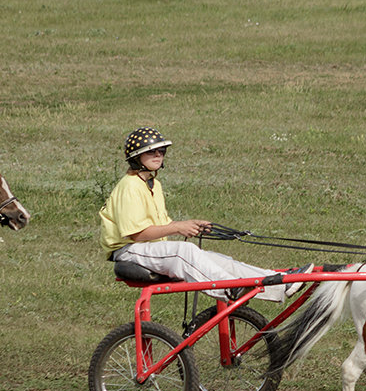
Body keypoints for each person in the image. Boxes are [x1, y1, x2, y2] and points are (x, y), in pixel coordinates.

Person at [99, 127, 307, 302]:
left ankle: (279, 282)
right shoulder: (129, 186)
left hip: (147, 249)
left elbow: (159, 226)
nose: (158, 156)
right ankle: (229, 288)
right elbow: (137, 234)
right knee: (185, 252)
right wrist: (178, 227)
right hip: (129, 250)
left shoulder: (153, 184)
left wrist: (192, 225)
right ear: (136, 157)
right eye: (151, 152)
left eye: (161, 151)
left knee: (219, 260)